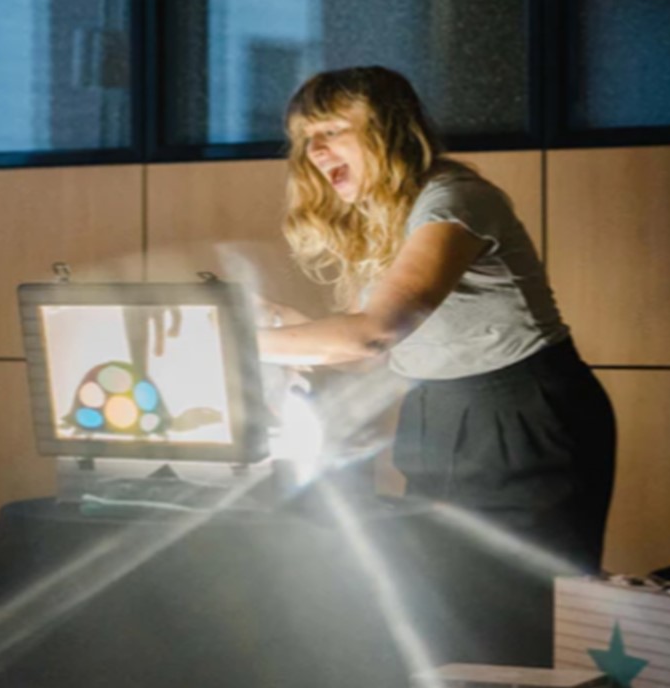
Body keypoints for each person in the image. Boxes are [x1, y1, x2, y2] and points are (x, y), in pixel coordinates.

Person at [257, 66, 616, 571]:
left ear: (388, 130)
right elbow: (375, 356)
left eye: (332, 131)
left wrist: (233, 341)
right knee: (447, 588)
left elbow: (374, 334)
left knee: (526, 595)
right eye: (305, 138)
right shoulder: (384, 217)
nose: (314, 151)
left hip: (521, 413)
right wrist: (293, 330)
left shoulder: (455, 201)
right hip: (435, 412)